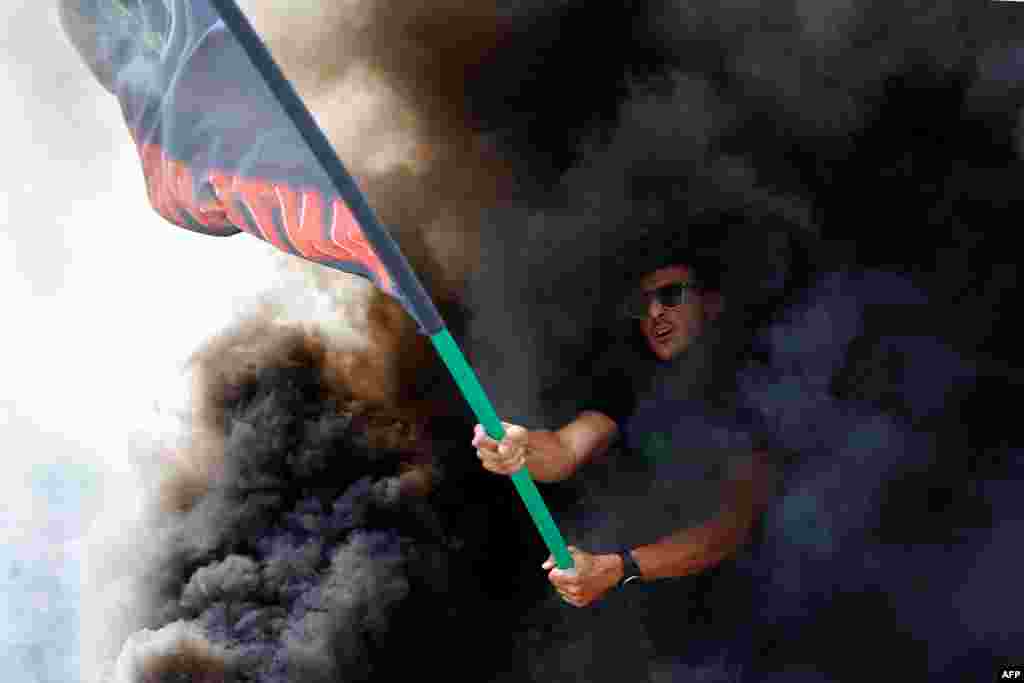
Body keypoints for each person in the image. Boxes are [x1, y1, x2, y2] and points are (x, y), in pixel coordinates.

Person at [472, 258, 775, 610]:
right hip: (651, 610)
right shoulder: (634, 385)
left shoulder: (757, 385)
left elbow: (732, 528)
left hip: (746, 603)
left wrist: (620, 567)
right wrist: (519, 447)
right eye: (642, 306)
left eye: (671, 295)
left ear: (711, 303)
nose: (654, 313)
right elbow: (564, 449)